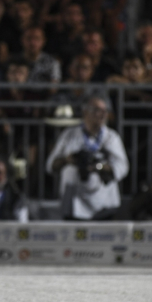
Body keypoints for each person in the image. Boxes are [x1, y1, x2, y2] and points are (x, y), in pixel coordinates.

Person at [46, 92, 129, 220]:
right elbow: (51, 165)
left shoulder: (111, 137)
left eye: (105, 110)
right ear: (85, 112)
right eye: (97, 110)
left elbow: (122, 168)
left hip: (104, 202)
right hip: (74, 201)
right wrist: (68, 160)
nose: (103, 115)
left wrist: (98, 166)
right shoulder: (69, 135)